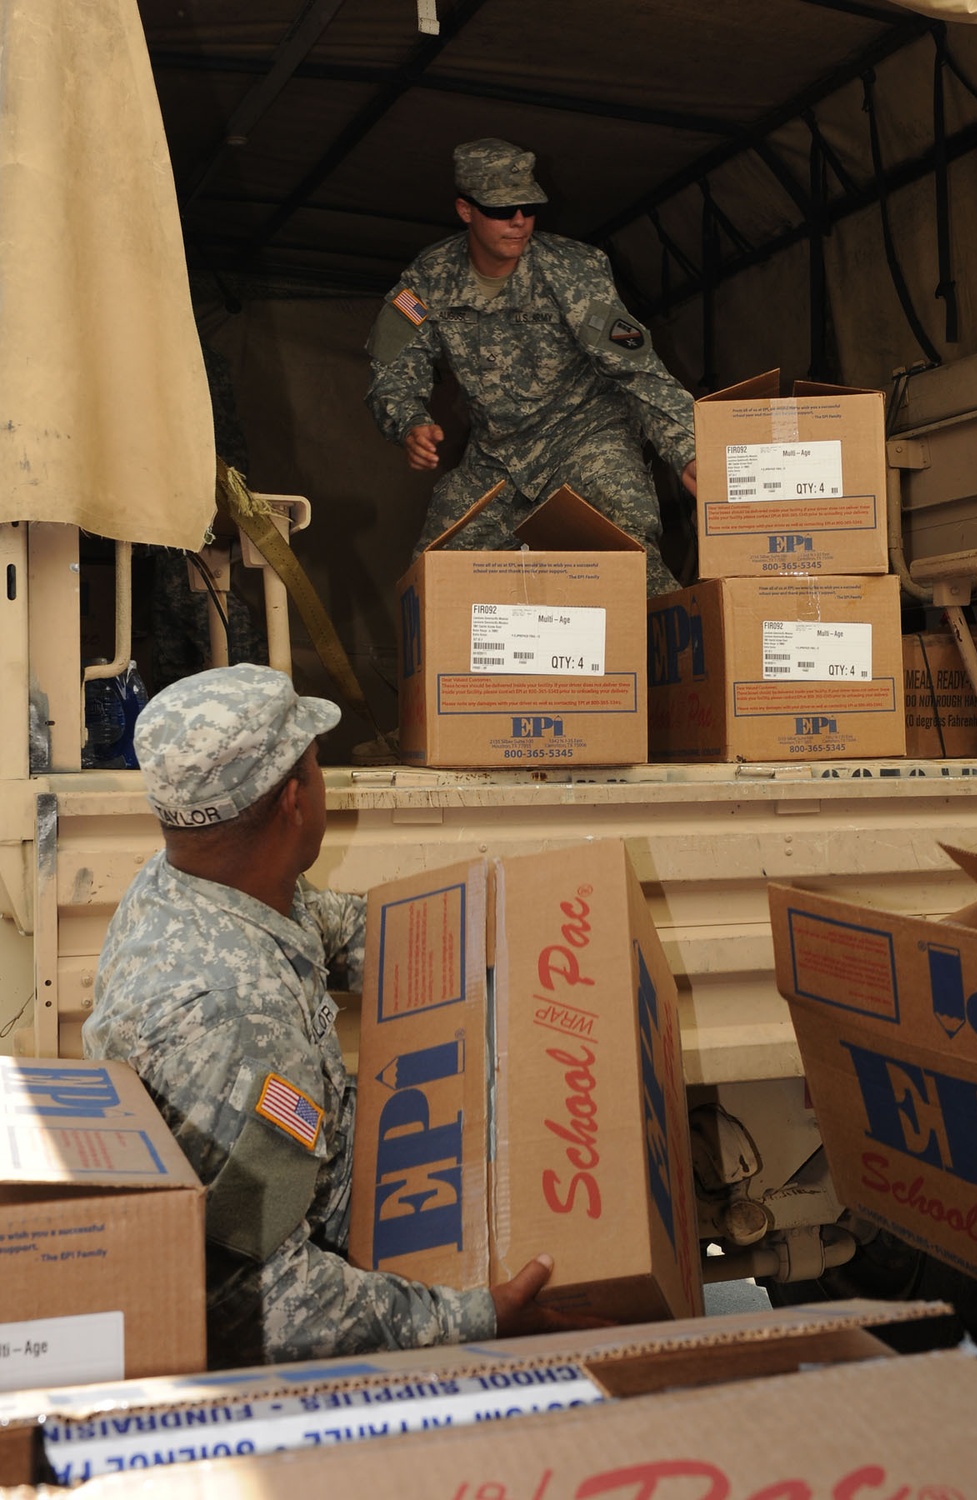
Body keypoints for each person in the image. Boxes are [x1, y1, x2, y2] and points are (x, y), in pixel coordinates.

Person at [82, 664, 576, 1366]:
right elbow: (259, 1301)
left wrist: (519, 957)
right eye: (318, 765)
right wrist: (479, 1320)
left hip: (351, 1179)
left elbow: (340, 931)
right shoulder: (227, 1018)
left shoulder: (205, 877)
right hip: (326, 1275)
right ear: (293, 800)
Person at [365, 137, 698, 597]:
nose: (519, 221)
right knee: (434, 575)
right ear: (466, 211)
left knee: (626, 548)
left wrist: (685, 448)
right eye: (503, 210)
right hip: (498, 455)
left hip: (584, 435)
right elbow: (393, 363)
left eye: (528, 207)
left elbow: (637, 368)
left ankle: (683, 651)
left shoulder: (572, 269)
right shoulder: (428, 278)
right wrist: (409, 422)